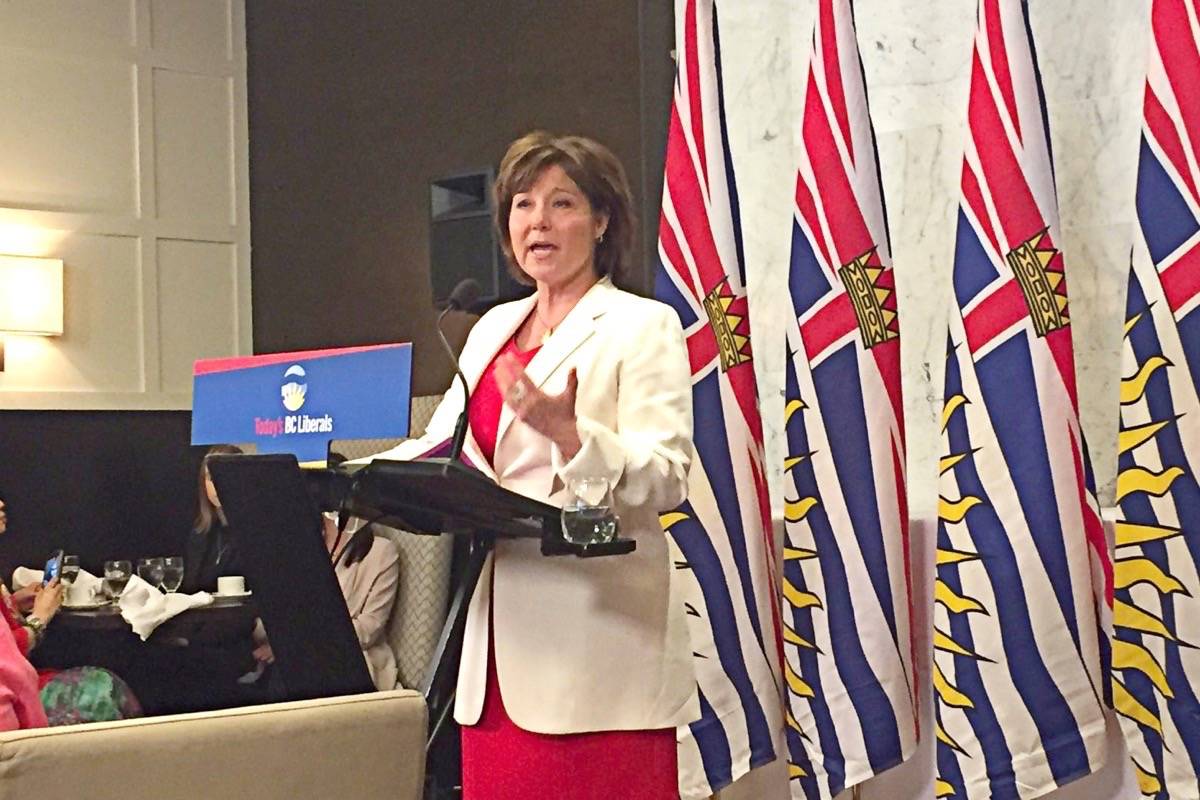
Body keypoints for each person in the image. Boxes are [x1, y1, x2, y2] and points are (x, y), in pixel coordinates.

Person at [365, 131, 697, 798]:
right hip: (497, 661)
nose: (538, 222)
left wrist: (576, 437)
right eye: (522, 205)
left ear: (603, 222)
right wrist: (354, 476)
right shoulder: (491, 328)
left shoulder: (642, 325)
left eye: (562, 204)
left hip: (599, 654)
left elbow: (668, 473)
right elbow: (443, 444)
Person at [0, 497, 142, 725]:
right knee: (100, 692)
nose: (1, 504)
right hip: (17, 702)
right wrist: (39, 619)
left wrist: (14, 603)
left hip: (26, 685)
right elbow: (6, 661)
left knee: (108, 684)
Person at [252, 515, 401, 691]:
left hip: (348, 657)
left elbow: (370, 628)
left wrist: (296, 644)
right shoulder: (299, 547)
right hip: (287, 657)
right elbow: (281, 611)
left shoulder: (380, 552)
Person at [182, 445, 246, 593]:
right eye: (211, 478)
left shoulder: (255, 533)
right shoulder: (200, 533)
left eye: (225, 477)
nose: (217, 485)